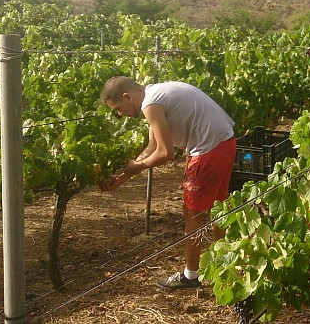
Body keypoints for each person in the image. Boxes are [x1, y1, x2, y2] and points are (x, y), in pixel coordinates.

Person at [99, 76, 236, 289]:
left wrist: (138, 167)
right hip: (224, 142)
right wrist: (123, 177)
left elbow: (165, 153)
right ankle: (224, 267)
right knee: (218, 207)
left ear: (127, 97)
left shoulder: (151, 105)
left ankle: (191, 276)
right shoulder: (155, 94)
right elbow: (152, 147)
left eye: (118, 108)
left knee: (193, 213)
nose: (120, 114)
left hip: (208, 150)